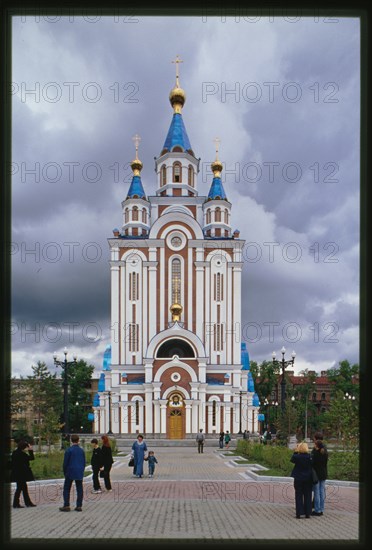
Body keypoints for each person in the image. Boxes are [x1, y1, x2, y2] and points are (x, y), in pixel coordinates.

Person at [60, 434, 86, 512]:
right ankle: (79, 506)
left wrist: (65, 471)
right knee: (79, 489)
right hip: (79, 471)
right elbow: (84, 462)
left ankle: (66, 505)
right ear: (78, 440)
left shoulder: (69, 450)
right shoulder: (81, 450)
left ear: (71, 440)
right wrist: (82, 470)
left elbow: (65, 463)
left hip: (70, 471)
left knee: (67, 488)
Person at [290, 441, 313, 519]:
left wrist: (296, 451)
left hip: (298, 478)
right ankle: (307, 513)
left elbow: (292, 460)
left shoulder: (297, 457)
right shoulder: (309, 457)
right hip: (308, 478)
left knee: (298, 495)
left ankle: (299, 513)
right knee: (308, 495)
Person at [11, 440, 36, 508]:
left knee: (22, 488)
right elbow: (32, 458)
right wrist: (30, 450)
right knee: (20, 489)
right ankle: (19, 503)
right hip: (22, 474)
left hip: (16, 473)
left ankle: (23, 503)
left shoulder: (14, 453)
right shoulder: (22, 454)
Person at [311, 439, 328, 516]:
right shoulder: (325, 453)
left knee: (316, 492)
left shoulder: (315, 453)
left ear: (317, 446)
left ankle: (317, 510)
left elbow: (312, 463)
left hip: (316, 475)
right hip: (323, 474)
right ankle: (321, 509)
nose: (314, 446)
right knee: (322, 492)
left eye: (314, 445)